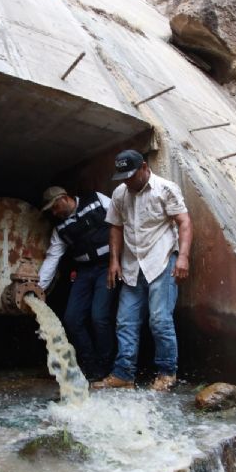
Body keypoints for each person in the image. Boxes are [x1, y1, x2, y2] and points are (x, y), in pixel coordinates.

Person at [93, 150, 193, 392]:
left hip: (161, 261)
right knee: (125, 322)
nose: (127, 181)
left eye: (130, 175)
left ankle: (167, 373)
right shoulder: (120, 193)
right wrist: (114, 261)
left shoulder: (165, 189)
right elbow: (115, 228)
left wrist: (184, 257)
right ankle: (124, 374)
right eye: (123, 177)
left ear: (144, 167)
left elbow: (185, 222)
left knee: (159, 320)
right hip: (131, 266)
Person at [37, 186, 116, 381]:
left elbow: (120, 221)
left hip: (107, 266)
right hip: (84, 271)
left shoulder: (96, 199)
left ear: (64, 198)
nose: (54, 213)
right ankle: (89, 364)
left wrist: (124, 260)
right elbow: (52, 259)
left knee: (99, 317)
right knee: (72, 319)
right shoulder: (60, 230)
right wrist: (39, 289)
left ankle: (106, 366)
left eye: (54, 208)